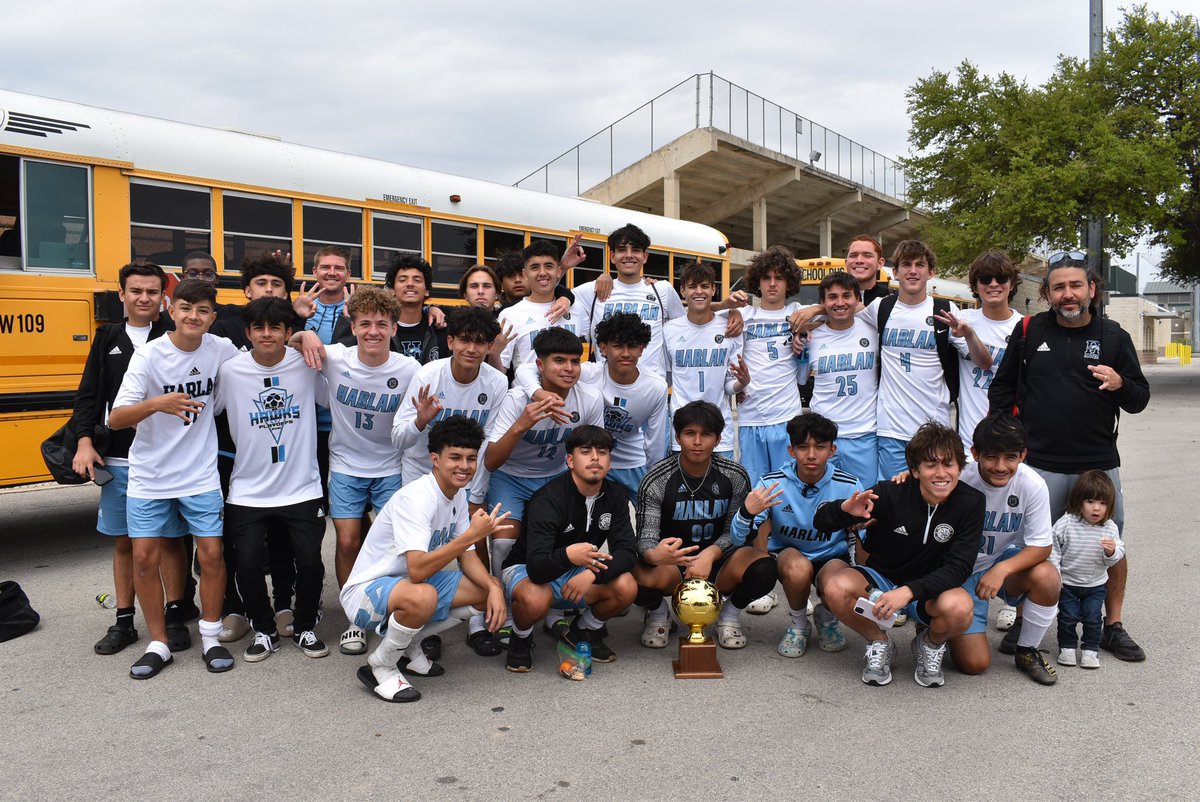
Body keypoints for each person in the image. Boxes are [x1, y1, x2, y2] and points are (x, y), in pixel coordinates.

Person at [988, 250, 1150, 662]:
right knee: (1035, 547)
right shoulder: (1028, 332)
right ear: (1047, 293)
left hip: (1097, 465)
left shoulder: (1114, 337)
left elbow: (1140, 398)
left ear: (1091, 289)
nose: (1068, 294)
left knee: (1111, 547)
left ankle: (1111, 625)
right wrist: (1015, 440)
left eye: (1076, 285)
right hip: (1040, 464)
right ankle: (1027, 618)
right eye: (1059, 287)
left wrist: (1120, 383)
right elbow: (1001, 390)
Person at [109, 279, 239, 679]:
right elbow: (116, 419)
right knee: (145, 558)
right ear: (171, 309)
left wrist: (303, 335)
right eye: (185, 308)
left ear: (212, 318)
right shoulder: (148, 356)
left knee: (212, 555)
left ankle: (212, 635)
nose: (193, 316)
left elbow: (262, 358)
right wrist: (156, 404)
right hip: (150, 475)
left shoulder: (221, 348)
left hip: (200, 473)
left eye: (202, 310)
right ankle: (159, 642)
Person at [339, 416, 509, 702]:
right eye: (454, 457)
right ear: (435, 459)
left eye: (470, 458)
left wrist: (494, 588)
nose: (464, 466)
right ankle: (381, 664)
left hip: (410, 584)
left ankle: (408, 643)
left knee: (484, 587)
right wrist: (471, 536)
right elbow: (417, 570)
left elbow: (467, 557)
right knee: (423, 595)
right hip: (367, 593)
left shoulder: (456, 495)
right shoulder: (417, 498)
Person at [295, 286, 420, 656]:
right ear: (353, 324)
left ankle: (390, 608)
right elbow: (287, 346)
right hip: (347, 464)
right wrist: (305, 332)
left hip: (390, 465)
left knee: (393, 545)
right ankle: (355, 617)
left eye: (382, 324)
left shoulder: (408, 368)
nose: (373, 332)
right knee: (348, 541)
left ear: (395, 329)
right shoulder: (336, 357)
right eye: (365, 323)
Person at [815, 422, 982, 688]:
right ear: (915, 471)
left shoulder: (971, 502)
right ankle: (879, 642)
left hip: (930, 590)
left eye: (948, 464)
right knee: (836, 587)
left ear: (960, 467)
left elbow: (959, 568)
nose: (941, 474)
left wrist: (908, 591)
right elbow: (820, 522)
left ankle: (928, 644)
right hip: (882, 578)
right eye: (930, 465)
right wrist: (844, 510)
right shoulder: (890, 492)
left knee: (961, 608)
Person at [71, 263, 182, 656]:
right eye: (136, 290)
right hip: (118, 456)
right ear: (121, 294)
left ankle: (174, 613)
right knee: (125, 542)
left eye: (152, 292)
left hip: (166, 457)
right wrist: (85, 442)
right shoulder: (108, 338)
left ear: (162, 297)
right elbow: (89, 396)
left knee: (169, 540)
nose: (144, 298)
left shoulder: (174, 335)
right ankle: (123, 620)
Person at [214, 298, 328, 662]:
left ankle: (306, 626)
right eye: (259, 328)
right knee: (247, 562)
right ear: (248, 333)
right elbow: (203, 409)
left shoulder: (307, 364)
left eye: (275, 328)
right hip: (248, 489)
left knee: (310, 561)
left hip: (301, 486)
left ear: (287, 332)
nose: (267, 334)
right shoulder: (230, 371)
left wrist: (310, 336)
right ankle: (263, 630)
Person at [391, 306, 509, 656]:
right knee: (424, 551)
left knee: (474, 542)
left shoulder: (497, 381)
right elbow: (398, 437)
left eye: (480, 343)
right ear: (451, 340)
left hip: (468, 476)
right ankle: (421, 627)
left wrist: (477, 489)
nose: (471, 349)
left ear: (490, 346)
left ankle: (478, 621)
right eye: (464, 341)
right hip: (422, 475)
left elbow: (488, 442)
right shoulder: (429, 374)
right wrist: (421, 421)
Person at [209, 252, 306, 642]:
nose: (268, 289)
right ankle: (237, 607)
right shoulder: (224, 326)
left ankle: (285, 603)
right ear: (246, 289)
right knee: (235, 540)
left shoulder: (293, 332)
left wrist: (304, 329)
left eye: (276, 284)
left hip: (284, 449)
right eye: (261, 283)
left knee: (283, 536)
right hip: (232, 453)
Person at [484, 327, 604, 640]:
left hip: (555, 479)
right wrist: (522, 424)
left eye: (574, 362)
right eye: (559, 361)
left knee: (562, 541)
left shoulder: (589, 399)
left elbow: (595, 450)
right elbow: (491, 460)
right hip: (511, 476)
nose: (568, 368)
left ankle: (554, 609)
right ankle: (507, 609)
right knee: (503, 542)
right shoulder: (516, 399)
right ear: (540, 365)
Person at [634, 401, 778, 650]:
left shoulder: (734, 475)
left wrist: (710, 554)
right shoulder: (656, 478)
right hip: (673, 564)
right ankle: (658, 613)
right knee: (628, 568)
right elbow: (646, 535)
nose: (697, 441)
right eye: (690, 433)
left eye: (706, 434)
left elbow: (737, 532)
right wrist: (655, 553)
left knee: (764, 567)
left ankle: (729, 615)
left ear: (718, 438)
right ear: (677, 436)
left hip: (720, 563)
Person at [501, 426, 639, 672]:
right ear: (570, 461)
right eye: (585, 452)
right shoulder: (547, 499)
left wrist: (592, 573)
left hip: (577, 569)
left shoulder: (615, 495)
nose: (595, 458)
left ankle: (584, 631)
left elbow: (627, 552)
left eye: (602, 452)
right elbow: (537, 567)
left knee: (626, 585)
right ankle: (520, 639)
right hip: (527, 568)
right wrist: (568, 556)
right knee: (535, 599)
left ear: (610, 462)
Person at [854, 241, 991, 478]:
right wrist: (812, 312)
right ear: (895, 272)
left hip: (934, 430)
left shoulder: (945, 310)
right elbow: (841, 308)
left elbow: (984, 363)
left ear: (931, 272)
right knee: (894, 502)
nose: (913, 271)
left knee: (932, 500)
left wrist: (969, 335)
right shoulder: (881, 308)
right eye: (906, 265)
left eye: (920, 265)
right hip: (891, 431)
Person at [730, 413, 861, 657]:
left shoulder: (850, 485)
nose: (811, 455)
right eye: (803, 447)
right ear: (791, 450)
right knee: (797, 567)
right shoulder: (771, 483)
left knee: (838, 584)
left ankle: (827, 616)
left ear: (832, 450)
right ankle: (799, 623)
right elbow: (738, 539)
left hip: (832, 557)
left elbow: (865, 538)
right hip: (790, 555)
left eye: (820, 447)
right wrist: (747, 512)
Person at [946, 414, 1060, 685]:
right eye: (991, 457)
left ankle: (1027, 650)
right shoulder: (958, 475)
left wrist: (1002, 569)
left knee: (1047, 577)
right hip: (955, 571)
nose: (1000, 466)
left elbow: (1041, 545)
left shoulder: (1032, 484)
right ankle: (941, 622)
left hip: (996, 561)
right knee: (974, 665)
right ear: (974, 453)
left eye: (1010, 457)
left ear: (1023, 455)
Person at [516, 312, 667, 506]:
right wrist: (538, 392)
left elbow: (655, 442)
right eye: (618, 346)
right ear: (603, 348)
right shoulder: (587, 373)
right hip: (587, 463)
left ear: (642, 349)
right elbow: (525, 369)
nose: (626, 353)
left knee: (652, 515)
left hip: (632, 463)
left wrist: (654, 477)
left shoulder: (656, 387)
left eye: (632, 346)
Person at [571, 224, 743, 377]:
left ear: (645, 256)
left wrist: (728, 310)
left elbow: (690, 316)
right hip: (607, 389)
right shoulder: (592, 291)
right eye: (622, 250)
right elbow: (551, 295)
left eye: (636, 250)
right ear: (612, 256)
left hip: (653, 389)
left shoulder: (661, 290)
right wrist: (567, 280)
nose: (629, 255)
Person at [796, 271, 880, 487]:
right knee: (821, 502)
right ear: (822, 303)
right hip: (822, 437)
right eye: (832, 297)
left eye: (846, 296)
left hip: (863, 435)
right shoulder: (811, 336)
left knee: (864, 501)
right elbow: (801, 378)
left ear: (858, 299)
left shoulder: (874, 330)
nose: (840, 303)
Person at [736, 246, 806, 495]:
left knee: (788, 489)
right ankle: (758, 536)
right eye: (767, 277)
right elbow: (699, 311)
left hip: (785, 417)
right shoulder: (743, 316)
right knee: (755, 492)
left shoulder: (797, 313)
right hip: (751, 416)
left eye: (779, 277)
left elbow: (835, 309)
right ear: (758, 282)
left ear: (789, 282)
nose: (773, 284)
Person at [663, 261, 750, 461]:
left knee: (722, 491)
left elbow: (728, 386)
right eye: (692, 286)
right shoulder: (669, 330)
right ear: (682, 291)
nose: (698, 292)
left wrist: (743, 382)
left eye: (704, 286)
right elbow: (667, 377)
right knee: (684, 492)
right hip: (683, 433)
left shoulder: (730, 327)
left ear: (713, 289)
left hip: (720, 433)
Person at [1050, 470, 1125, 670]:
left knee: (1092, 618)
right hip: (1069, 583)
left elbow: (1118, 553)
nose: (1096, 508)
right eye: (1090, 501)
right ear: (1079, 501)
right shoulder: (1067, 523)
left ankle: (1090, 651)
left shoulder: (1109, 527)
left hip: (1096, 584)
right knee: (1067, 617)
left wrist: (1111, 552)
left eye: (1102, 503)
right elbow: (1054, 548)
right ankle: (1067, 648)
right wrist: (1055, 573)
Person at [955, 251, 1022, 454]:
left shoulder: (1025, 327)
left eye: (1001, 278)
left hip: (1010, 440)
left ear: (1011, 284)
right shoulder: (961, 320)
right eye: (985, 279)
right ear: (976, 286)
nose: (993, 284)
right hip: (969, 443)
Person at [334, 254, 448, 364]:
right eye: (402, 280)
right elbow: (342, 357)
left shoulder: (439, 324)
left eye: (417, 280)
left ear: (427, 290)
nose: (410, 284)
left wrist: (434, 308)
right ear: (392, 290)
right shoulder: (378, 326)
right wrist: (350, 318)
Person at [496, 241, 581, 371]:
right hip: (528, 390)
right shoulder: (510, 315)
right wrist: (494, 353)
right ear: (525, 274)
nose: (542, 273)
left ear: (558, 271)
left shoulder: (576, 309)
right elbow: (499, 373)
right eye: (535, 267)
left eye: (548, 266)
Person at [843, 234, 893, 306]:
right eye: (853, 255)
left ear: (880, 263)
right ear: (846, 262)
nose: (859, 260)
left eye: (867, 256)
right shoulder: (833, 301)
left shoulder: (893, 300)